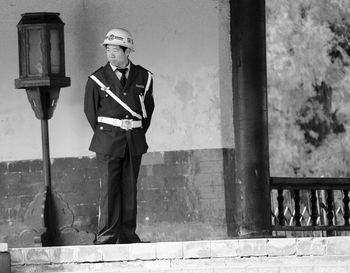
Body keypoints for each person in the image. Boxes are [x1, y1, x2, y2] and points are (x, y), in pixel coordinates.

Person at [84, 28, 154, 244]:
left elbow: (147, 111)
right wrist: (109, 132)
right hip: (107, 139)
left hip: (133, 139)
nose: (111, 54)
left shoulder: (144, 76)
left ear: (127, 51)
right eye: (108, 49)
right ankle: (106, 236)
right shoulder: (97, 78)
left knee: (129, 188)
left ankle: (127, 235)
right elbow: (90, 111)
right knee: (108, 190)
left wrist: (133, 130)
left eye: (115, 50)